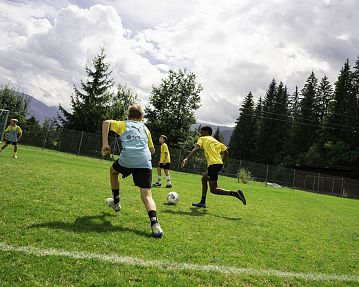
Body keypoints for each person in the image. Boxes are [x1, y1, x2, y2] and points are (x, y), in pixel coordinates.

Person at [101, 104, 163, 238]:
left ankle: (116, 203)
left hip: (127, 159)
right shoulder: (146, 129)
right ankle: (155, 224)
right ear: (142, 117)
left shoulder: (123, 124)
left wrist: (105, 144)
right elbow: (152, 150)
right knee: (147, 196)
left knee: (113, 171)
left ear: (128, 115)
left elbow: (106, 123)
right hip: (145, 161)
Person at [181, 125, 246, 208]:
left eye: (201, 132)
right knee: (204, 179)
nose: (200, 134)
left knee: (213, 189)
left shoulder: (202, 139)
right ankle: (202, 202)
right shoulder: (215, 140)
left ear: (206, 132)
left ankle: (235, 193)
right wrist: (222, 163)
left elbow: (196, 148)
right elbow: (226, 152)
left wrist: (187, 158)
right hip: (217, 164)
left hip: (213, 164)